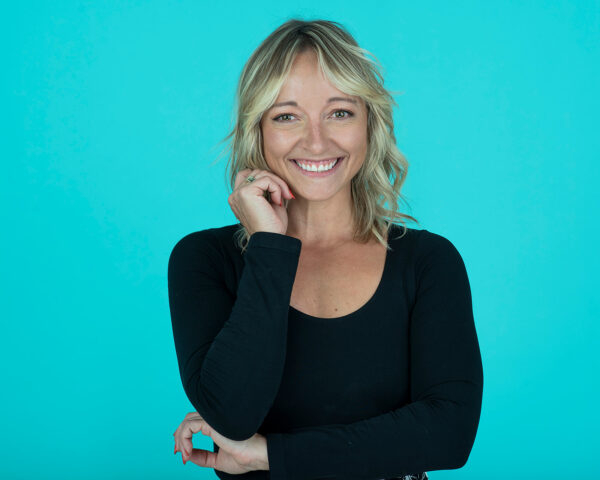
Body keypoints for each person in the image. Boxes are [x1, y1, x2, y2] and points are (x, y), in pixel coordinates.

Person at [168, 18, 483, 480]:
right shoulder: (204, 260)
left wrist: (270, 455)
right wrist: (269, 246)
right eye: (287, 116)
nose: (316, 141)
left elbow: (449, 435)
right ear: (258, 130)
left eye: (340, 113)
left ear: (369, 123)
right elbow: (232, 416)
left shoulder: (427, 262)